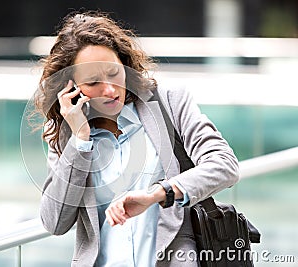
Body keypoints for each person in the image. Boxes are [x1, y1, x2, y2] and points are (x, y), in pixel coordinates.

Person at [32, 10, 239, 267]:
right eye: (93, 82)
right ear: (71, 87)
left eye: (113, 73)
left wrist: (159, 194)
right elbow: (55, 222)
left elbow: (224, 165)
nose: (109, 89)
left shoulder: (169, 102)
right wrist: (80, 140)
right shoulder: (68, 135)